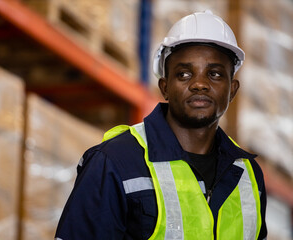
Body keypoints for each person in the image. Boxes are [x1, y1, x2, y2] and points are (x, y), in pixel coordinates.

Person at [55, 10, 267, 240]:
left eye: (214, 74)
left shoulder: (249, 175)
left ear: (232, 90)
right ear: (164, 87)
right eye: (184, 74)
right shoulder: (114, 161)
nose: (199, 84)